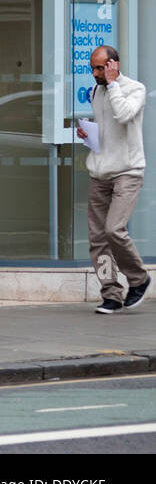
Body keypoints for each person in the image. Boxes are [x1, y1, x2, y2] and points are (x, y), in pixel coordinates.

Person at [77, 46, 150, 314]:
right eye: (92, 68)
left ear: (113, 65)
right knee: (98, 239)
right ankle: (111, 294)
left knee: (114, 229)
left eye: (100, 68)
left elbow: (123, 115)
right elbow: (109, 129)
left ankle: (139, 279)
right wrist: (89, 136)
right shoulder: (96, 92)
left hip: (127, 172)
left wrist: (112, 84)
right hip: (100, 173)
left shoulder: (135, 89)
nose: (95, 74)